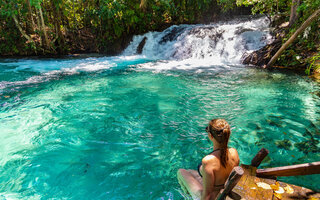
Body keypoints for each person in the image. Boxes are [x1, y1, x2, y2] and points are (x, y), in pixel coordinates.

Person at [177, 119, 240, 200]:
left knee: (181, 172)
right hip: (223, 190)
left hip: (213, 197)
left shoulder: (208, 161)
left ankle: (187, 197)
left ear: (211, 135)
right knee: (189, 172)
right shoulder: (234, 152)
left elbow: (207, 194)